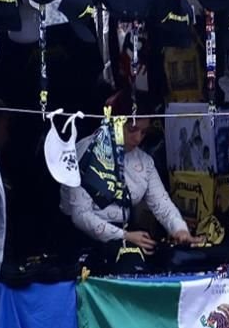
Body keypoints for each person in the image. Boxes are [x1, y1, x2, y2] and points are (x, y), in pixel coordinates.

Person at [60, 96, 199, 255]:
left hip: (125, 233)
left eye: (144, 132)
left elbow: (162, 203)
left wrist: (180, 230)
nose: (138, 138)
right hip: (80, 238)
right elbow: (80, 215)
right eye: (132, 130)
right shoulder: (86, 154)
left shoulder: (144, 162)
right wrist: (124, 236)